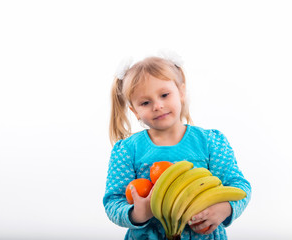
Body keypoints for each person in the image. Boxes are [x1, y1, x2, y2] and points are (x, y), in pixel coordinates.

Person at [103, 53, 251, 240]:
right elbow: (113, 201)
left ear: (181, 92)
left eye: (164, 95)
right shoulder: (126, 150)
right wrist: (137, 214)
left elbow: (238, 185)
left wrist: (225, 208)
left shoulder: (211, 142)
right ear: (134, 110)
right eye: (145, 102)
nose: (157, 106)